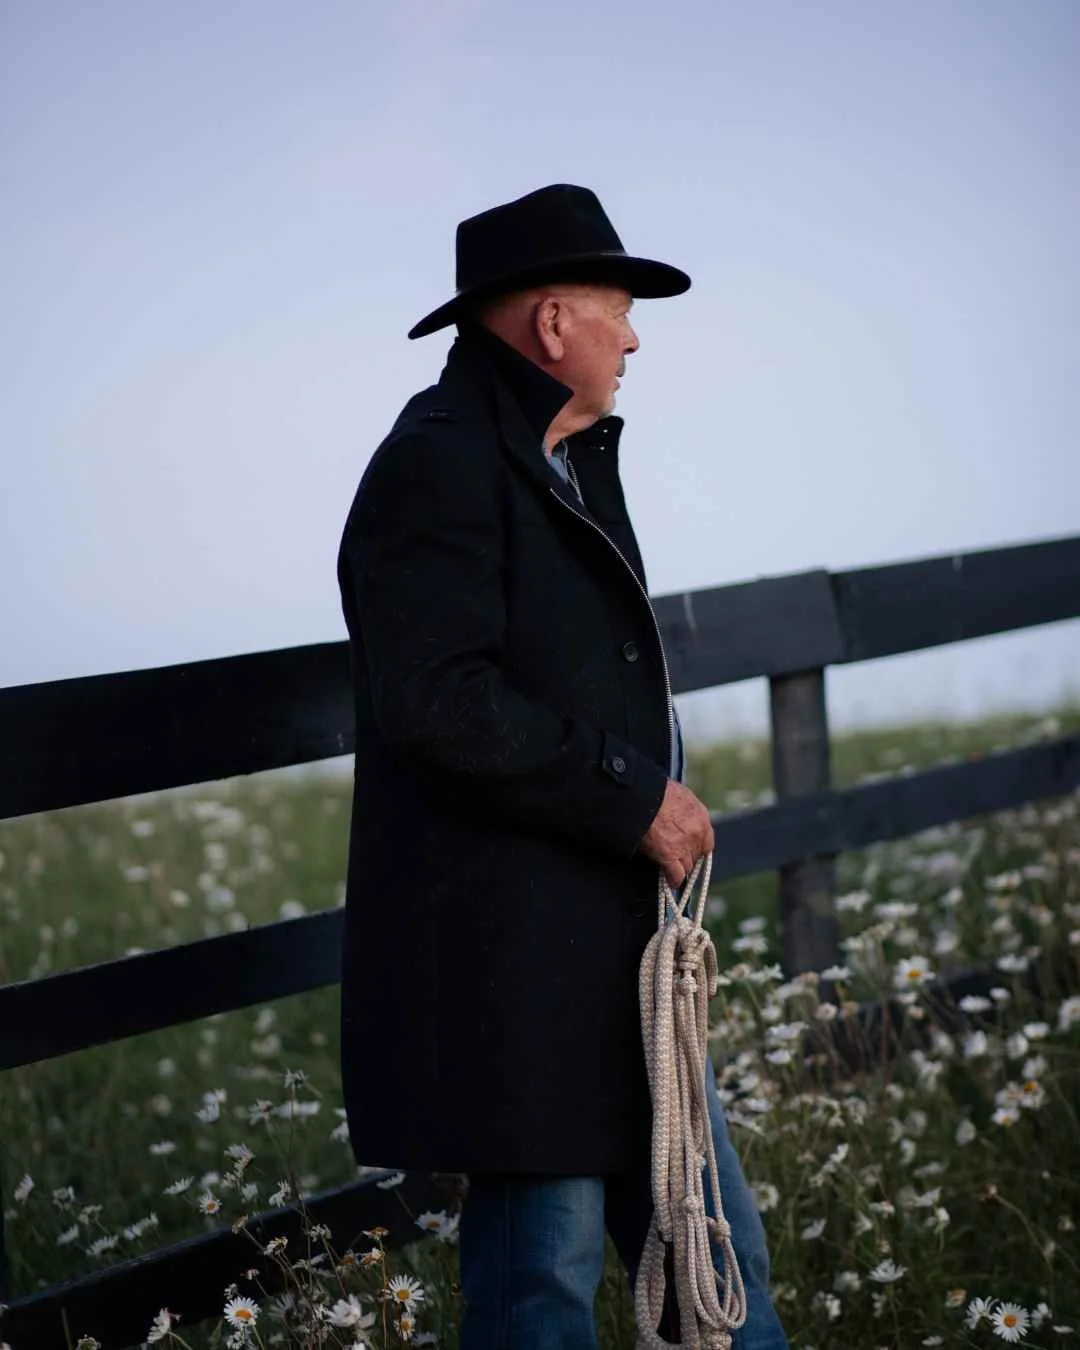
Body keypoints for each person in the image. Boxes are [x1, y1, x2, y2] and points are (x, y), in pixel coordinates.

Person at [336, 184, 788, 1349]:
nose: (634, 338)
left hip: (606, 960)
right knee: (543, 1291)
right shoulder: (439, 465)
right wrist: (636, 797)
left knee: (716, 1265)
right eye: (619, 311)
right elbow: (440, 700)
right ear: (550, 325)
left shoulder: (561, 457)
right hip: (514, 981)